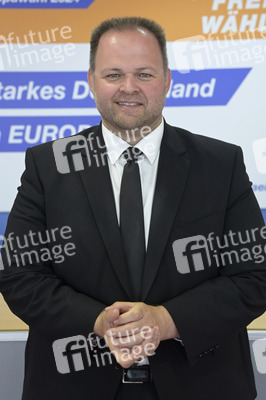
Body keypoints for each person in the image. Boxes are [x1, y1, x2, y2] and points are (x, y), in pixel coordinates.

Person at [0, 16, 266, 400]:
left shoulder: (221, 164)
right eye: (113, 75)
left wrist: (165, 321)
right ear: (91, 81)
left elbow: (253, 276)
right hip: (75, 386)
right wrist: (98, 322)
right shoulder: (47, 164)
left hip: (201, 385)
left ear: (168, 79)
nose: (129, 88)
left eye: (144, 74)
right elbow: (20, 274)